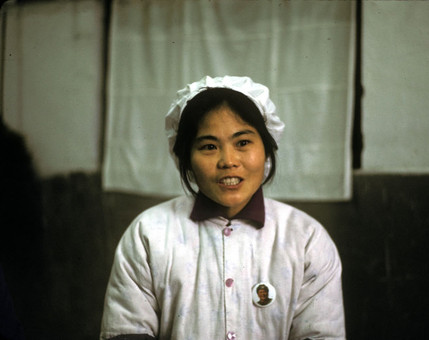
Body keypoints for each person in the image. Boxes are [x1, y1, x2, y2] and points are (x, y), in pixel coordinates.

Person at [100, 75, 345, 340]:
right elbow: (126, 332)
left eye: (242, 143)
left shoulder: (306, 238)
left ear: (267, 148)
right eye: (208, 146)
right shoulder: (148, 234)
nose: (228, 161)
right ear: (186, 159)